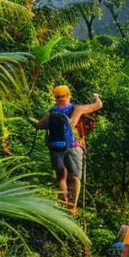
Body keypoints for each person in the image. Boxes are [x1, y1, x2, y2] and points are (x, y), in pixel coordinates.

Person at [36, 85, 102, 214]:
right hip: (73, 145)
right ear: (69, 95)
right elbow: (98, 105)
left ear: (55, 97)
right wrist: (96, 96)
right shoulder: (77, 109)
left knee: (61, 175)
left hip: (56, 146)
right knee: (75, 176)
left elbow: (39, 125)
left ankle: (64, 200)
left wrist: (34, 121)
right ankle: (73, 206)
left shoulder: (51, 112)